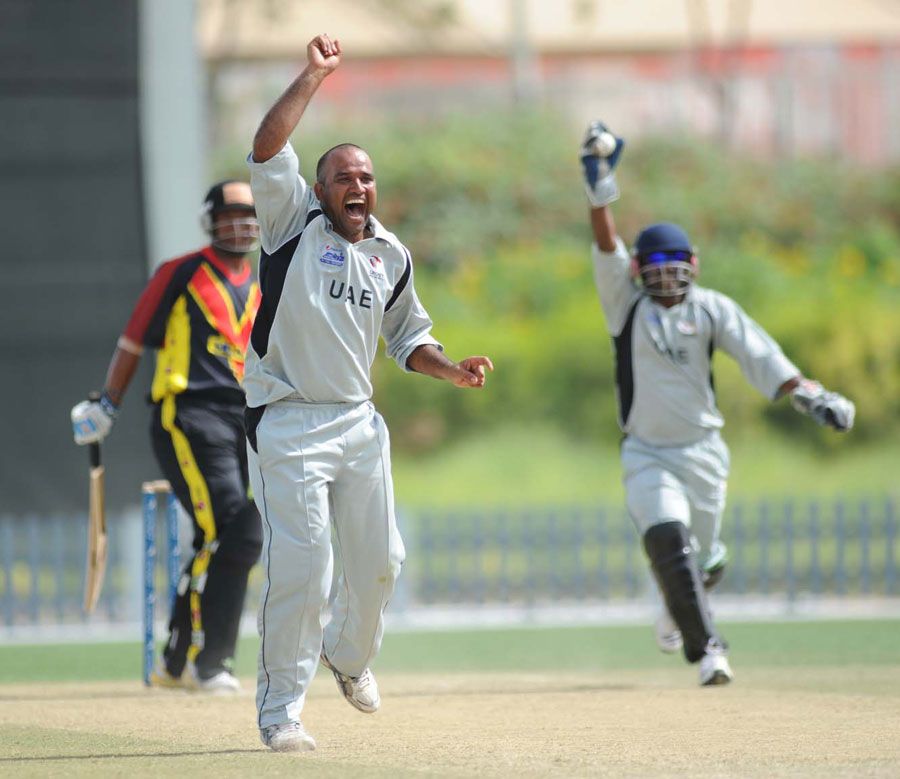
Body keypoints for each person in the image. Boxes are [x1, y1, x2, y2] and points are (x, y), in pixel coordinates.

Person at [243, 33, 493, 752]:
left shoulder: (390, 253)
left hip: (357, 422)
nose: (358, 186)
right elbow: (266, 146)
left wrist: (451, 369)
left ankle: (348, 658)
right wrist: (313, 77)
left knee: (382, 563)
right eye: (344, 177)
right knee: (306, 563)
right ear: (320, 189)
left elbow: (410, 338)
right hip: (288, 419)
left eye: (367, 177)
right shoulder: (291, 223)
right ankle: (281, 711)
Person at [579, 120, 855, 686]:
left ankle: (681, 604)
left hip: (704, 453)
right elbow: (606, 243)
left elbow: (761, 356)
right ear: (638, 271)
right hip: (647, 454)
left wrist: (810, 396)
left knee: (699, 561)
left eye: (674, 262)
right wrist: (599, 183)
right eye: (652, 265)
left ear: (693, 263)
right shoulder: (625, 306)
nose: (663, 273)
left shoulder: (711, 309)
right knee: (666, 540)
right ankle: (711, 652)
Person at [71, 181, 264, 693]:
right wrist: (108, 403)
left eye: (248, 214)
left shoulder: (260, 287)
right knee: (237, 529)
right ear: (210, 220)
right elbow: (133, 338)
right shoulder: (181, 272)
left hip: (243, 418)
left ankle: (178, 662)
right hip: (189, 413)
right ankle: (211, 663)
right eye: (229, 215)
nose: (240, 224)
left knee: (218, 535)